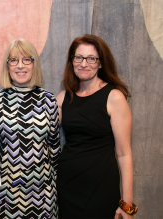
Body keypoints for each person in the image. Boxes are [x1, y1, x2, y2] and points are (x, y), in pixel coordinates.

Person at [56, 34, 137, 219]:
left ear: (100, 63)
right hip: (67, 188)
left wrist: (127, 205)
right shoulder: (62, 98)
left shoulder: (114, 97)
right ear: (72, 61)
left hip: (101, 189)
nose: (84, 63)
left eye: (91, 58)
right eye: (79, 57)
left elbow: (124, 154)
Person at [0, 39, 61, 219]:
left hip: (43, 194)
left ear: (34, 64)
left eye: (26, 60)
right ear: (7, 66)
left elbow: (54, 149)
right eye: (13, 60)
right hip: (6, 194)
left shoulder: (48, 100)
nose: (20, 66)